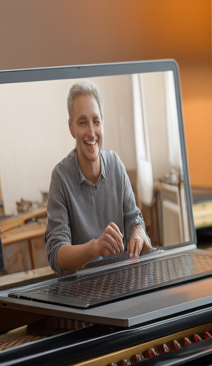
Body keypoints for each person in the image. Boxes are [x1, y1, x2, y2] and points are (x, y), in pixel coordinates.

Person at [44, 80, 153, 272]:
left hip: (123, 278)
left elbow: (135, 218)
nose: (91, 132)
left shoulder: (116, 164)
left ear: (102, 123)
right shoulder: (60, 177)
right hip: (83, 288)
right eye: (83, 122)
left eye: (96, 121)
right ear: (71, 128)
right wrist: (94, 248)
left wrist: (138, 232)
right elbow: (56, 254)